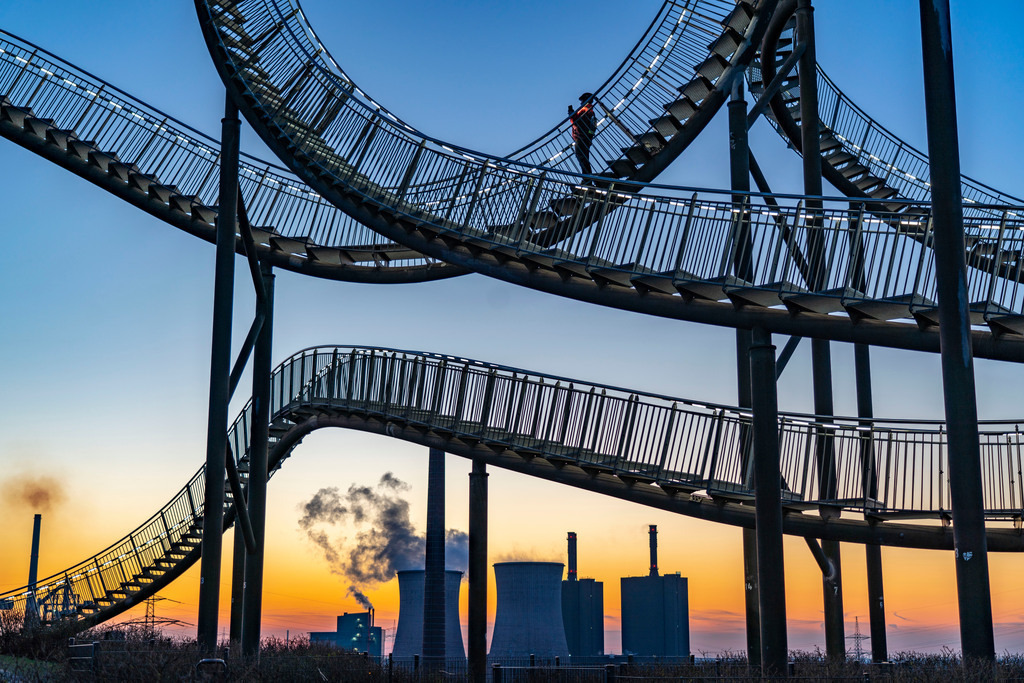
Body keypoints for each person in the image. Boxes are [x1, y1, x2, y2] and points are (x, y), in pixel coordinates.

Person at [569, 92, 597, 178]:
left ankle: (587, 179)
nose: (581, 103)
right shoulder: (590, 110)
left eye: (582, 101)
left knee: (582, 157)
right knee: (584, 158)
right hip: (586, 138)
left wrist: (571, 113)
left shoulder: (585, 109)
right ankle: (587, 178)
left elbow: (575, 121)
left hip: (581, 138)